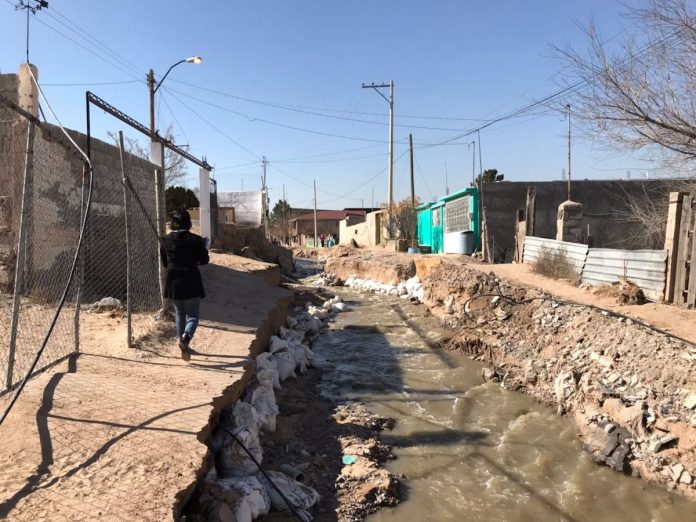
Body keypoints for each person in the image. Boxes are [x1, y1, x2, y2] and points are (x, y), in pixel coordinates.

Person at [160, 209, 209, 361]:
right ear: (188, 223)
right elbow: (204, 260)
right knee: (192, 315)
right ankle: (186, 338)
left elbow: (165, 262)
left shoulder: (165, 240)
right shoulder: (196, 240)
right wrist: (203, 249)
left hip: (173, 281)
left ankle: (182, 340)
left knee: (179, 313)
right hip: (191, 280)